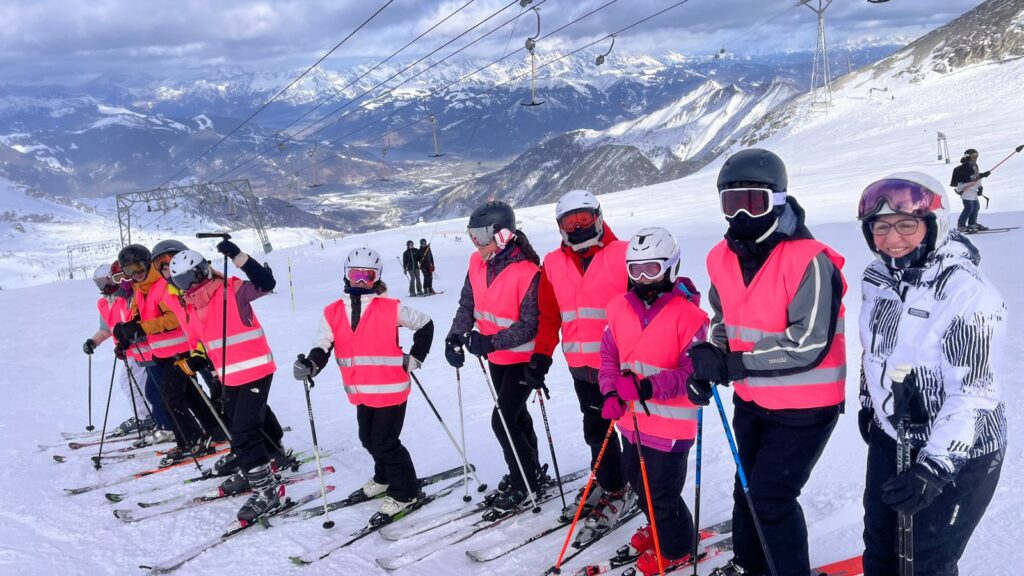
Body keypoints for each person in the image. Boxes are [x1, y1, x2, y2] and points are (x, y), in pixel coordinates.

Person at [686, 149, 847, 576]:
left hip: (806, 409)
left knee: (772, 499)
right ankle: (749, 565)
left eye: (753, 202)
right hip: (753, 400)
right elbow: (724, 319)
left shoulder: (810, 260)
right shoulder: (720, 257)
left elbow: (809, 344)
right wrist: (713, 357)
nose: (741, 214)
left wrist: (734, 364)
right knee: (746, 491)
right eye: (731, 203)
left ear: (777, 199)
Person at [856, 172, 1006, 575]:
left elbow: (973, 394)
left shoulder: (968, 293)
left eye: (907, 225)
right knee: (880, 547)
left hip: (962, 451)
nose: (892, 238)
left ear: (934, 225)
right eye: (880, 226)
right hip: (895, 435)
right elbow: (874, 348)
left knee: (927, 561)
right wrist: (869, 401)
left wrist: (934, 467)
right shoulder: (877, 278)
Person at [293, 247, 434, 522]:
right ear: (346, 275)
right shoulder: (333, 311)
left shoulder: (390, 308)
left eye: (367, 276)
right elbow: (322, 346)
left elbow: (425, 324)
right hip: (360, 391)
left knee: (385, 442)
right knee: (368, 439)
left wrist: (416, 357)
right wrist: (310, 365)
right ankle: (384, 478)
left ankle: (406, 491)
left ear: (376, 278)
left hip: (391, 389)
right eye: (355, 274)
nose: (360, 281)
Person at [599, 227, 708, 575]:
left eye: (652, 269)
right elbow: (609, 356)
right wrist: (610, 392)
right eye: (636, 270)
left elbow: (692, 372)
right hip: (631, 422)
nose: (643, 278)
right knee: (637, 481)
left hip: (671, 426)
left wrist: (647, 388)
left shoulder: (690, 316)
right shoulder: (618, 307)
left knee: (661, 492)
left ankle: (677, 548)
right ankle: (660, 528)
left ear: (671, 268)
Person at [530, 189, 633, 532]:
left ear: (598, 217)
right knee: (595, 431)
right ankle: (609, 482)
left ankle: (632, 485)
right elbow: (549, 316)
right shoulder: (552, 263)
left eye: (584, 219)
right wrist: (540, 357)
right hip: (581, 367)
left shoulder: (624, 254)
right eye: (569, 222)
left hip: (622, 367)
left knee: (632, 432)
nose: (577, 227)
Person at [168, 240, 286, 523]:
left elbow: (266, 283)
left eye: (193, 276)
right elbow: (202, 342)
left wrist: (237, 255)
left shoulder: (232, 290)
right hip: (229, 375)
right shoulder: (192, 305)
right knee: (235, 426)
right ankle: (251, 469)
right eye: (182, 282)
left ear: (204, 270)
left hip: (256, 370)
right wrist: (197, 360)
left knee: (244, 430)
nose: (190, 285)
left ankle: (267, 490)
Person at [446, 200, 547, 513]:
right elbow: (468, 304)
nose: (476, 243)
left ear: (502, 235)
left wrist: (489, 341)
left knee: (502, 421)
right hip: (497, 358)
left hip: (523, 358)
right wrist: (455, 336)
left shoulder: (529, 273)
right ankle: (529, 469)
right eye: (472, 235)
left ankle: (524, 482)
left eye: (481, 236)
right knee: (516, 416)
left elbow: (530, 325)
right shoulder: (477, 263)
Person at [113, 243, 220, 464]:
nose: (136, 273)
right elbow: (139, 318)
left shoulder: (163, 285)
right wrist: (126, 336)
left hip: (181, 350)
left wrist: (140, 327)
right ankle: (215, 429)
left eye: (139, 267)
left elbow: (175, 318)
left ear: (149, 263)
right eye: (129, 270)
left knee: (169, 397)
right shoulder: (140, 289)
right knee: (189, 394)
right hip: (163, 353)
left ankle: (191, 440)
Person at [82, 261, 155, 437]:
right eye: (99, 283)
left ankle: (146, 416)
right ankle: (147, 414)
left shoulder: (127, 297)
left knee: (132, 383)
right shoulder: (103, 303)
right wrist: (93, 341)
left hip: (140, 347)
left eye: (105, 281)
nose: (103, 286)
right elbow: (106, 329)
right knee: (133, 383)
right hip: (125, 350)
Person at [950, 148, 991, 233]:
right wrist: (982, 175)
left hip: (973, 189)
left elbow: (976, 177)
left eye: (976, 155)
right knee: (969, 207)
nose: (975, 158)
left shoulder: (974, 165)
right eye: (973, 156)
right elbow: (969, 178)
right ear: (967, 156)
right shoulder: (963, 167)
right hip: (965, 189)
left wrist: (980, 187)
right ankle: (961, 225)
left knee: (976, 207)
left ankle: (972, 223)